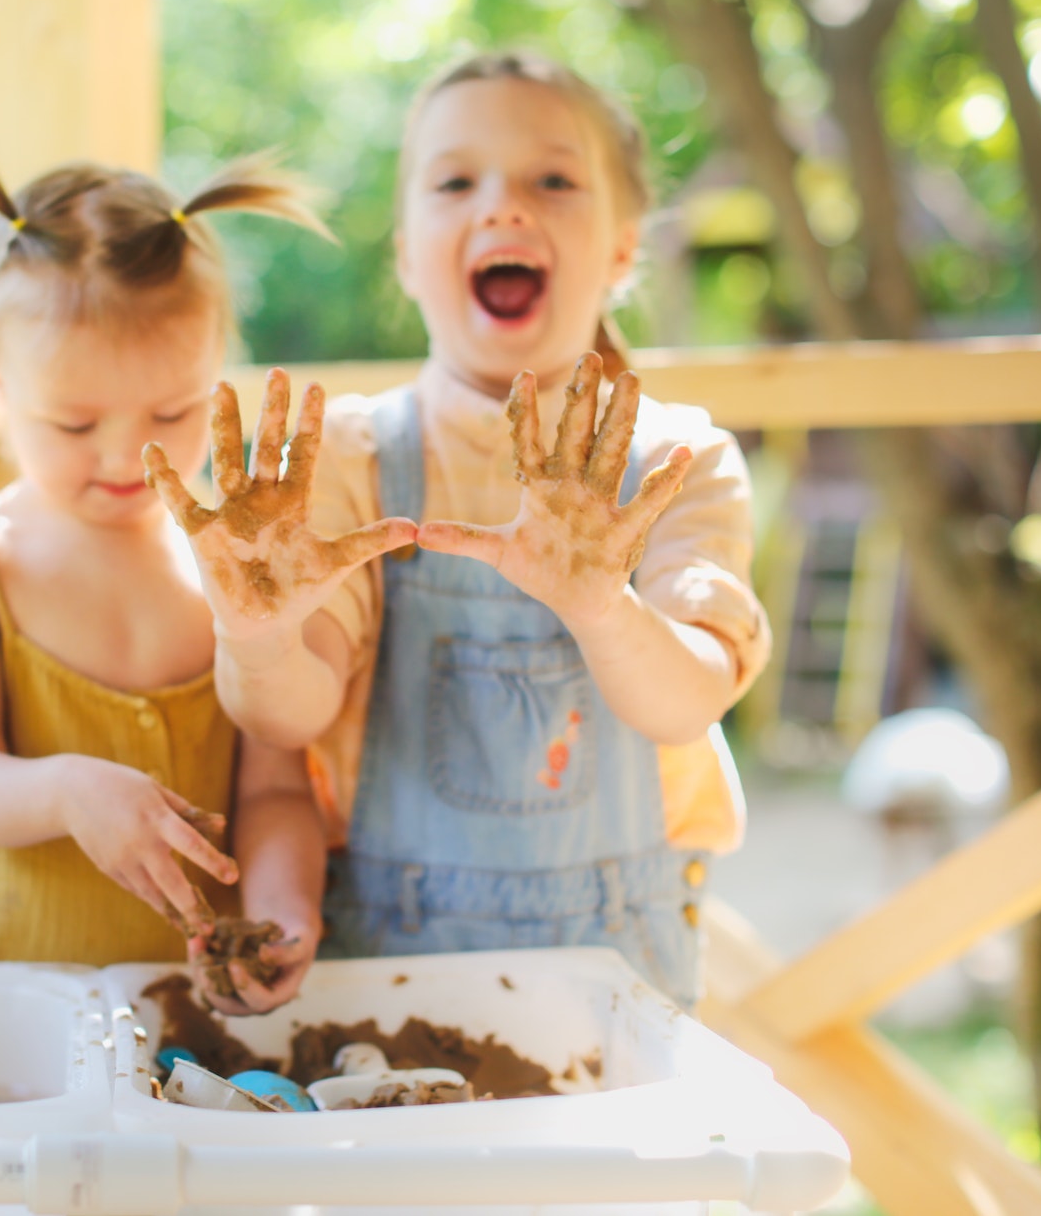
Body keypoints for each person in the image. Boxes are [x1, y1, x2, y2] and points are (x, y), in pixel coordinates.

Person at [144, 51, 770, 1009]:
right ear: (404, 251)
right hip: (381, 998)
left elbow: (689, 697)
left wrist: (604, 607)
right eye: (455, 181)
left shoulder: (677, 464)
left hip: (613, 1007)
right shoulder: (347, 459)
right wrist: (258, 632)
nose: (504, 208)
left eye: (553, 180)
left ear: (621, 250)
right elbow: (286, 716)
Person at [0, 113, 327, 1004]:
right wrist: (64, 792)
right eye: (76, 423)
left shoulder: (238, 572)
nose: (128, 454)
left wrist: (285, 910)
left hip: (187, 1035)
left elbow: (277, 791)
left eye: (173, 413)